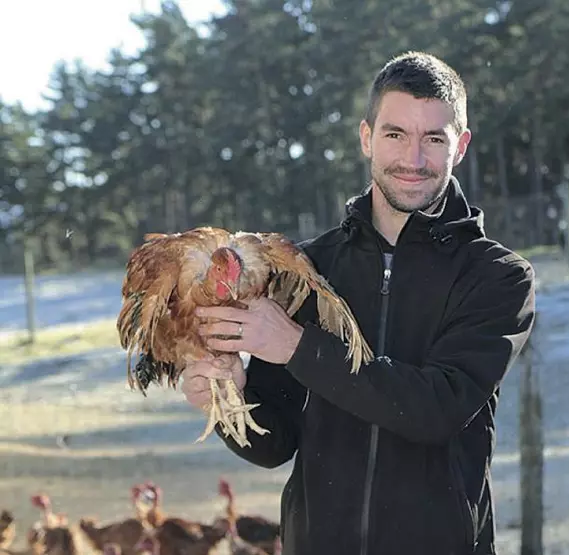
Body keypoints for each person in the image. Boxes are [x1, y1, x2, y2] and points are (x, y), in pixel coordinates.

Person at [181, 51, 536, 555]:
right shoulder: (307, 268)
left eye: (433, 139)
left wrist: (298, 346)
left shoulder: (498, 277)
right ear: (367, 137)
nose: (413, 159)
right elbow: (275, 444)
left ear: (461, 145)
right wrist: (230, 398)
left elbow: (435, 409)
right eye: (395, 134)